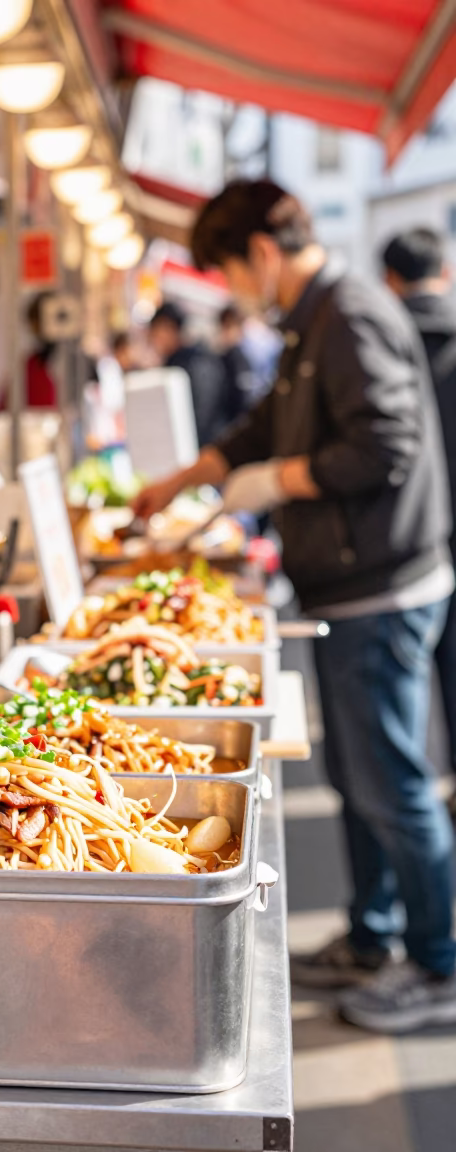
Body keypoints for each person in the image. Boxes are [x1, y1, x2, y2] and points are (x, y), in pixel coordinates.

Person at [134, 179, 456, 1033]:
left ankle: (439, 963)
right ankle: (371, 935)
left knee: (392, 781)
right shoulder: (312, 318)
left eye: (231, 272)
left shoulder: (347, 313)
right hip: (352, 589)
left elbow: (386, 444)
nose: (234, 291)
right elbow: (265, 425)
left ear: (262, 252)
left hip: (384, 588)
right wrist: (186, 478)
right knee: (358, 778)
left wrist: (278, 481)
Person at [382, 228, 456, 804]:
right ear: (447, 272)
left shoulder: (386, 339)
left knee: (404, 689)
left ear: (390, 280)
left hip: (408, 541)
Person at [148, 300, 239, 445]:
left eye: (155, 333)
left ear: (170, 328)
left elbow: (203, 416)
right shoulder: (181, 362)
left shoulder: (196, 363)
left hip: (206, 448)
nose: (153, 341)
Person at [218, 303, 262, 411]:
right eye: (224, 326)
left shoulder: (240, 360)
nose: (227, 332)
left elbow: (244, 400)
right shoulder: (224, 356)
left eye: (230, 326)